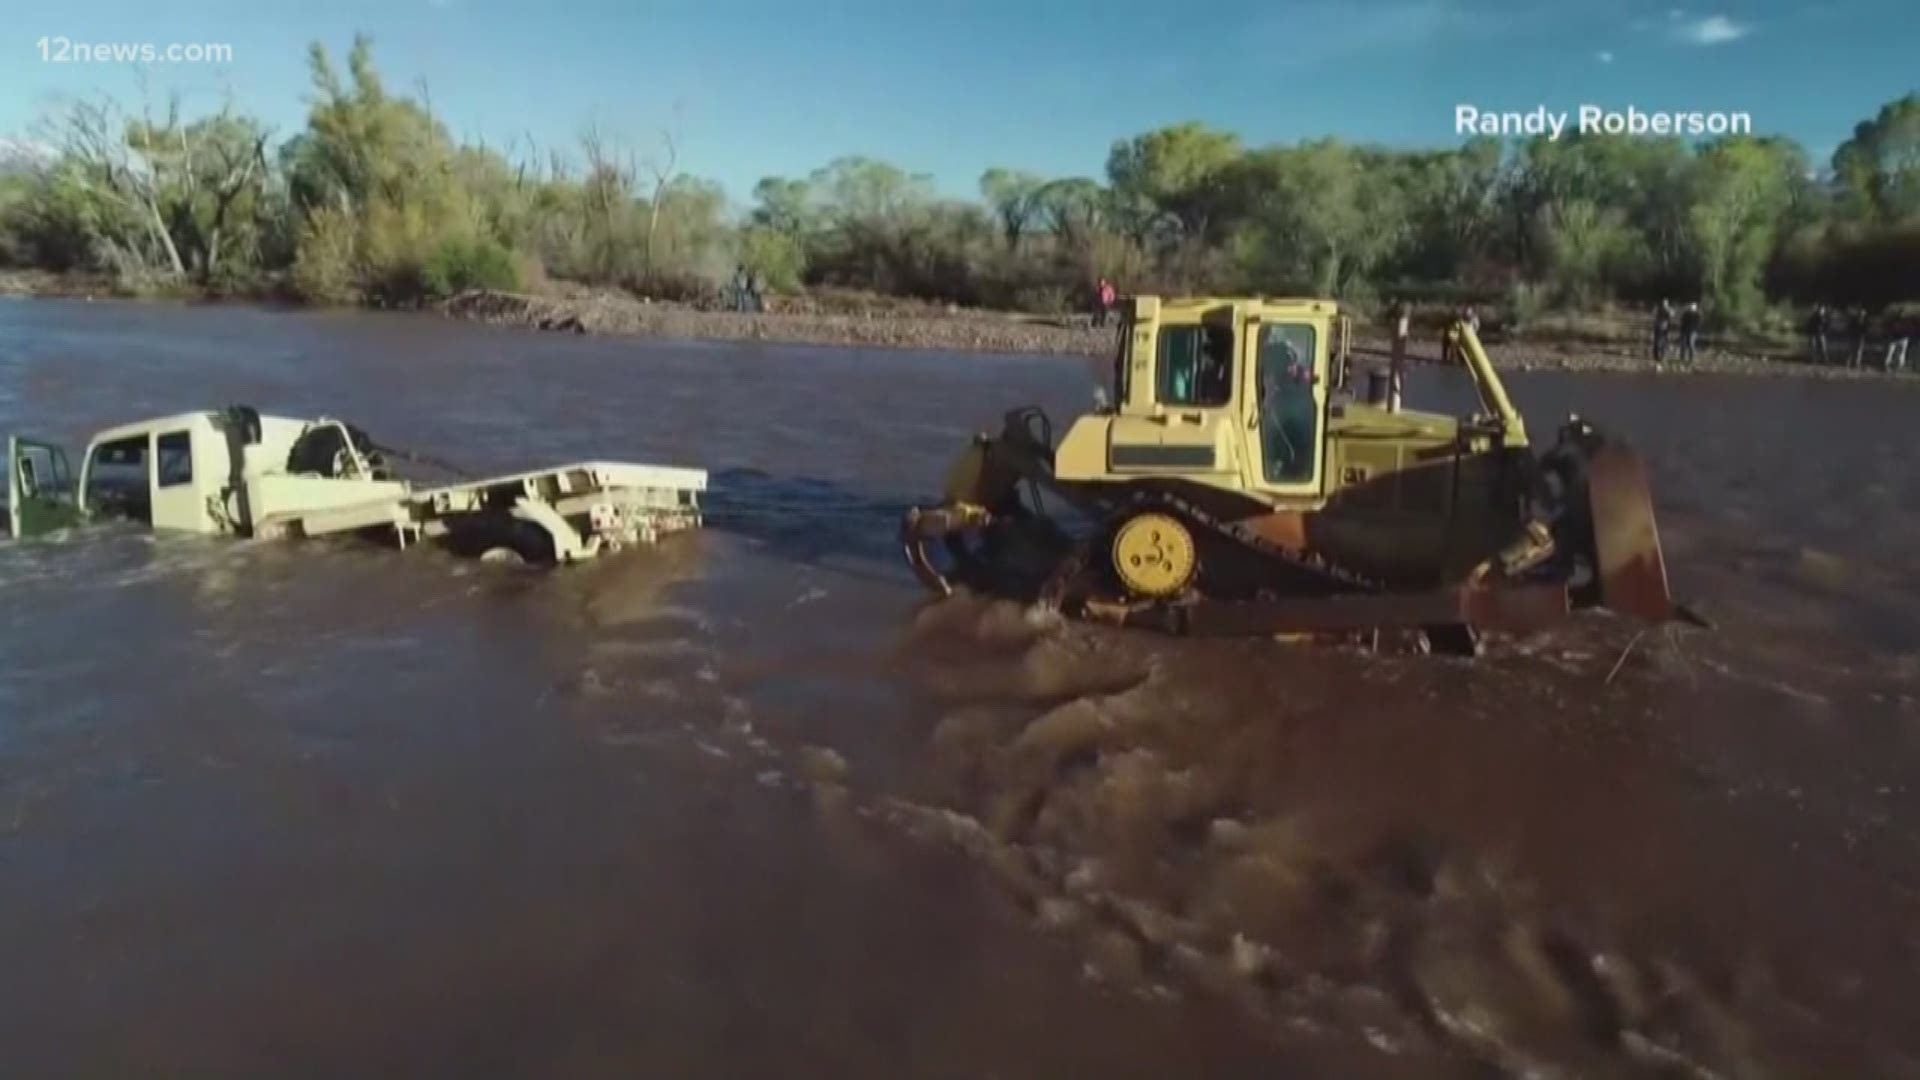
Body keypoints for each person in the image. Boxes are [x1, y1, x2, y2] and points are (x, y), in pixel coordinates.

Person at [1652, 299, 1673, 364]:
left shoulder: (1669, 310)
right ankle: (1656, 356)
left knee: (1664, 342)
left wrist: (1669, 311)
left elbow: (1671, 316)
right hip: (1658, 327)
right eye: (1663, 303)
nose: (1664, 304)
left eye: (1665, 303)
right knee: (1657, 342)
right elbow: (1653, 315)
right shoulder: (1658, 309)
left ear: (1667, 304)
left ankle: (1662, 356)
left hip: (1665, 328)